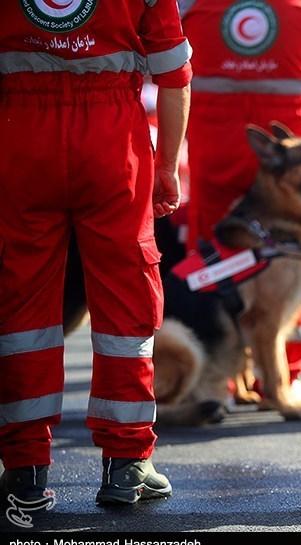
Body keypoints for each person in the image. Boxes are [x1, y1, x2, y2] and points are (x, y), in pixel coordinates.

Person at [0, 1, 191, 505]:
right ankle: (126, 463)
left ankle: (23, 468)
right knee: (125, 295)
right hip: (112, 142)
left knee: (21, 303)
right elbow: (174, 74)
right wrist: (168, 167)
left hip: (19, 135)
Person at [179, 0, 301, 399]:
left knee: (214, 261)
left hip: (214, 144)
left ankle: (220, 378)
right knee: (291, 263)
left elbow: (169, 68)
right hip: (288, 151)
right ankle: (288, 378)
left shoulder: (189, 4)